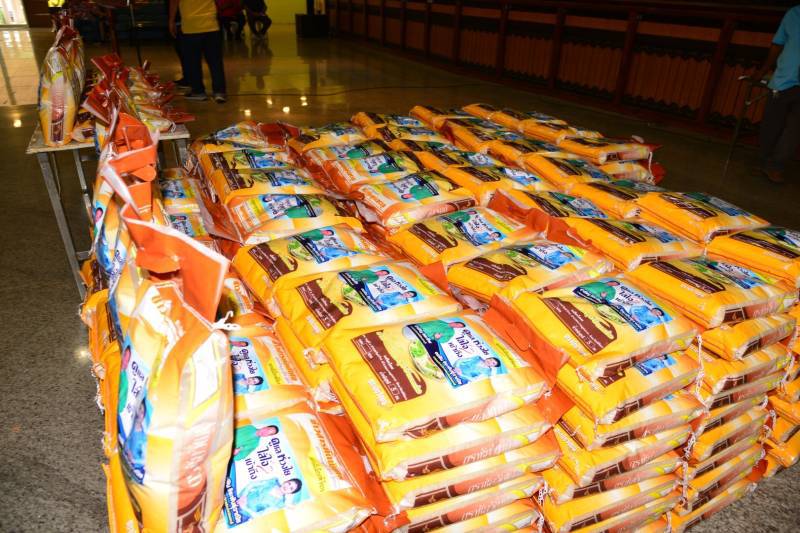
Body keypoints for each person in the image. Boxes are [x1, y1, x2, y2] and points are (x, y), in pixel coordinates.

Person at [756, 5, 800, 183]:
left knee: (795, 130)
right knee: (772, 124)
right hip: (785, 79)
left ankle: (775, 165)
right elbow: (778, 44)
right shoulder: (794, 13)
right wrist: (764, 70)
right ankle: (765, 161)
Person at [169, 0, 227, 103]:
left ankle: (198, 91)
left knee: (193, 62)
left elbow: (174, 2)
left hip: (191, 25)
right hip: (211, 23)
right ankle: (219, 92)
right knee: (215, 62)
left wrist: (171, 21)